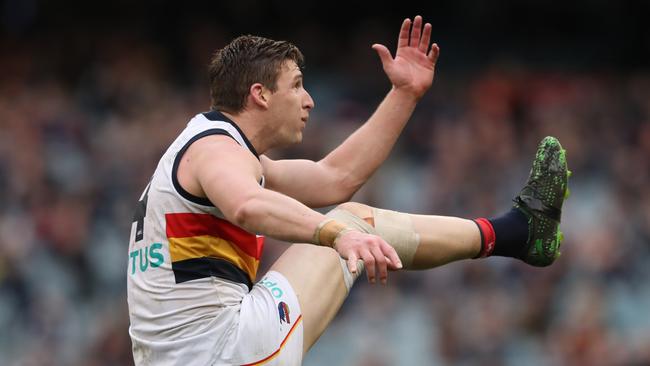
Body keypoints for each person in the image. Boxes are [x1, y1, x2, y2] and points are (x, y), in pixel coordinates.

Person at [126, 15, 569, 365]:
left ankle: (516, 233)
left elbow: (335, 178)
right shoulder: (216, 150)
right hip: (223, 350)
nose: (309, 100)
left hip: (201, 352)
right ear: (260, 95)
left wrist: (405, 94)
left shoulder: (219, 150)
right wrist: (337, 234)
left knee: (349, 212)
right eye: (297, 85)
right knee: (348, 221)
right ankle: (517, 233)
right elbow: (246, 205)